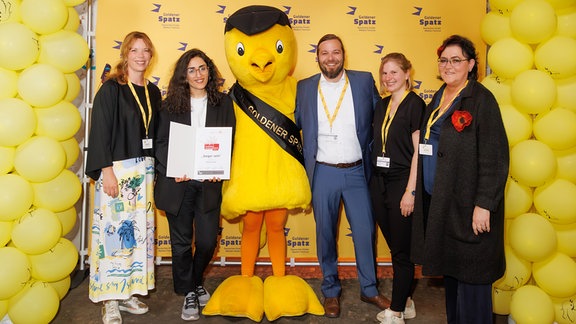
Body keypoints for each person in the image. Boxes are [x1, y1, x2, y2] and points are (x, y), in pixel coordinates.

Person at [410, 35, 509, 324]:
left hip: (469, 210)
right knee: (453, 280)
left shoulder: (481, 100)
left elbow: (495, 158)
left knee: (473, 280)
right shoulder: (439, 97)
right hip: (443, 208)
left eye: (456, 60)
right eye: (444, 60)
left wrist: (484, 204)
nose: (448, 65)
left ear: (471, 64)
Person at [295, 33, 390, 318]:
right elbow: (296, 124)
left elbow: (380, 117)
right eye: (325, 53)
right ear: (318, 57)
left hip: (358, 171)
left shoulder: (362, 82)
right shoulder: (304, 87)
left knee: (364, 233)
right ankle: (330, 291)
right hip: (322, 171)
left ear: (343, 55)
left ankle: (369, 289)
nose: (330, 58)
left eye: (335, 52)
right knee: (325, 235)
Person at [85, 31, 161, 324]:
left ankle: (129, 291)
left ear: (151, 56)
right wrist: (106, 172)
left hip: (144, 173)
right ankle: (110, 299)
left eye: (145, 51)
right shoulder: (112, 89)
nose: (140, 56)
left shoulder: (153, 92)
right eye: (134, 50)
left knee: (138, 235)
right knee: (113, 236)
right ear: (125, 54)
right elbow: (100, 130)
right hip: (116, 172)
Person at [154, 49, 235, 321]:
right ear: (183, 75)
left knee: (207, 240)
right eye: (191, 70)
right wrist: (173, 168)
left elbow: (229, 140)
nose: (198, 74)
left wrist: (219, 167)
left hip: (208, 183)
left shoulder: (223, 103)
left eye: (202, 68)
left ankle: (195, 280)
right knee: (180, 243)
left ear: (209, 71)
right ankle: (189, 291)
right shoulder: (169, 105)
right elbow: (160, 144)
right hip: (179, 185)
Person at [370, 53, 425, 324]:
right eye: (384, 73)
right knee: (395, 246)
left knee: (402, 252)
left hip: (402, 182)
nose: (388, 78)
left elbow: (418, 153)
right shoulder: (381, 106)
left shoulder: (415, 105)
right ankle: (407, 300)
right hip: (379, 183)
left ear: (406, 73)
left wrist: (410, 191)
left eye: (394, 72)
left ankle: (397, 311)